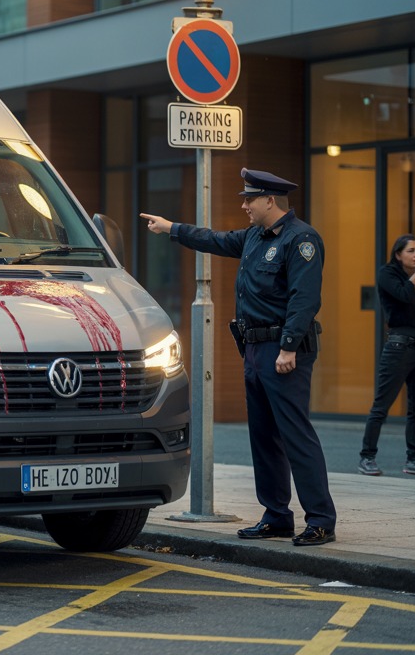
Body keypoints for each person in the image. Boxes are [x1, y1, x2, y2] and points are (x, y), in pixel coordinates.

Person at [140, 168, 337, 546]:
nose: (244, 205)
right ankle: (277, 516)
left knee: (296, 437)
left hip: (283, 351)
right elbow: (213, 239)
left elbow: (305, 298)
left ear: (270, 200)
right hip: (255, 350)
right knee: (264, 438)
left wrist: (289, 347)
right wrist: (170, 228)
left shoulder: (302, 239)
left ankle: (321, 521)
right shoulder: (253, 238)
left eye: (250, 199)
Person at [358, 234, 415, 476]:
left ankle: (414, 459)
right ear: (398, 255)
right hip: (398, 349)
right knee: (381, 406)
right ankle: (367, 457)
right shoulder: (387, 274)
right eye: (411, 250)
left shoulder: (413, 278)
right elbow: (403, 294)